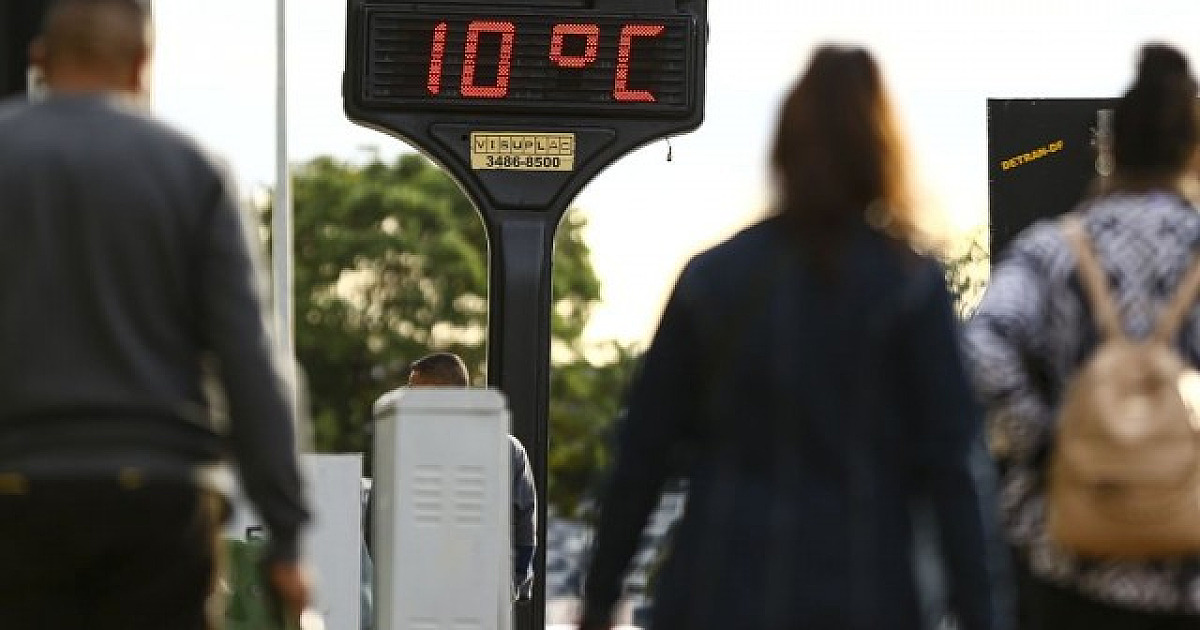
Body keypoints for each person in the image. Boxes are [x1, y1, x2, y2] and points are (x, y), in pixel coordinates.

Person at [578, 44, 999, 630]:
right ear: (877, 152)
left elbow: (641, 456)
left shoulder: (712, 279)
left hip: (718, 590)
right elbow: (955, 469)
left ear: (783, 146)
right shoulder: (909, 288)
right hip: (867, 592)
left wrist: (599, 600)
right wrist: (981, 611)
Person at [0, 1, 310, 628]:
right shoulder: (193, 171)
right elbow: (251, 363)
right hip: (159, 503)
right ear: (142, 64)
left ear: (40, 61)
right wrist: (287, 535)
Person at [965, 43, 1200, 629]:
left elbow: (980, 347)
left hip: (1072, 561)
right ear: (1192, 154)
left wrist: (1047, 444)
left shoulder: (1054, 251)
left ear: (1110, 149)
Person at [406, 352, 539, 601]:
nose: (407, 398)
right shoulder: (508, 447)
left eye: (415, 390)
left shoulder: (407, 448)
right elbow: (525, 523)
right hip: (477, 593)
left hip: (437, 593)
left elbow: (524, 523)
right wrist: (514, 583)